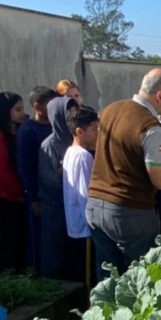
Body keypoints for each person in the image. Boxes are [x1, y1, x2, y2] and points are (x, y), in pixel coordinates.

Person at [87, 68, 161, 277]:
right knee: (138, 277)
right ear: (160, 96)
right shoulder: (152, 128)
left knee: (106, 275)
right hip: (129, 212)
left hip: (95, 206)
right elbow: (160, 180)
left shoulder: (109, 110)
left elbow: (122, 154)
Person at [0, 91, 29, 272]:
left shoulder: (18, 132)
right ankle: (7, 276)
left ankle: (20, 274)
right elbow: (0, 172)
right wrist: (18, 191)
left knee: (21, 240)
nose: (22, 113)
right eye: (17, 110)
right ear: (5, 112)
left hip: (19, 196)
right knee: (9, 239)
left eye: (22, 108)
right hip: (6, 197)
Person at [18, 85, 58, 272]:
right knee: (39, 238)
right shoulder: (28, 131)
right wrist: (34, 198)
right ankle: (38, 274)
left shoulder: (57, 127)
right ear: (37, 106)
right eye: (50, 105)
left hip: (56, 194)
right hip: (39, 195)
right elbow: (26, 166)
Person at [38, 95, 77, 279]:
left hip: (72, 207)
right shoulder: (49, 145)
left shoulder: (75, 141)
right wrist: (70, 191)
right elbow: (50, 180)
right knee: (53, 250)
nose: (71, 117)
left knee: (72, 253)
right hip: (55, 207)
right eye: (67, 114)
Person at [62, 103, 100, 285]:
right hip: (85, 227)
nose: (97, 133)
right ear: (79, 131)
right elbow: (86, 194)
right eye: (94, 129)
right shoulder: (84, 156)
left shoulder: (70, 152)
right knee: (87, 275)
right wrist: (94, 223)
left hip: (74, 223)